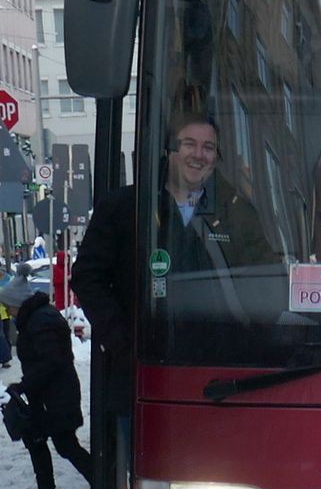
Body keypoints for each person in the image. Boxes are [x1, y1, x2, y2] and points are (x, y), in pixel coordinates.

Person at [72, 110, 276, 410]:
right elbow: (88, 278)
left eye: (208, 147)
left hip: (224, 381)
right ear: (169, 150)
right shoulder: (125, 207)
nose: (199, 155)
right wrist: (124, 344)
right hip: (148, 378)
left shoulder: (237, 212)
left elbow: (265, 277)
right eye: (189, 144)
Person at [1, 263, 92, 489]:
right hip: (46, 395)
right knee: (35, 438)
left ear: (18, 303)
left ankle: (100, 481)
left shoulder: (41, 320)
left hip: (58, 395)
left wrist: (23, 385)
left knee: (65, 444)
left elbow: (51, 361)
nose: (8, 312)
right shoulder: (36, 317)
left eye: (9, 307)